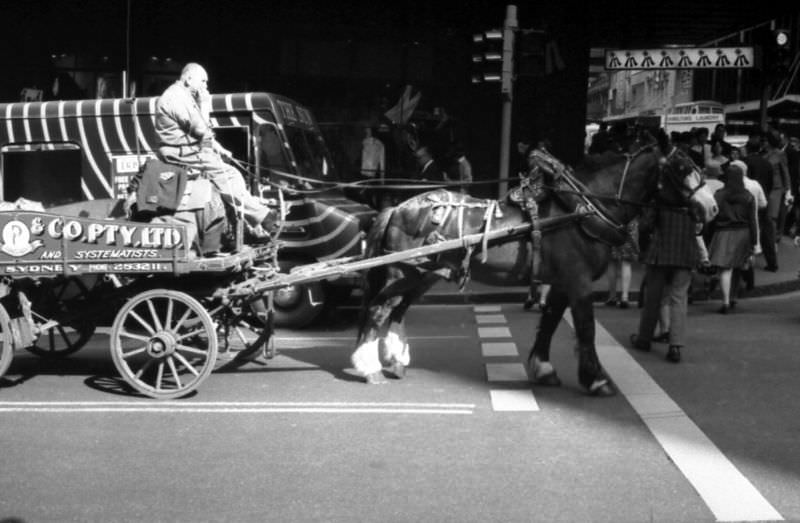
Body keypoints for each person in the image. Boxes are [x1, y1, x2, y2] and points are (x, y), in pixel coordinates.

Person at [154, 62, 277, 238]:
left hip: (189, 150)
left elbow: (201, 135)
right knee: (229, 175)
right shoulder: (175, 98)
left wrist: (220, 148)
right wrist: (205, 104)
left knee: (230, 174)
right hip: (182, 153)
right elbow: (201, 130)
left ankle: (250, 220)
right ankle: (262, 217)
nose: (206, 86)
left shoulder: (183, 96)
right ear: (189, 79)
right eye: (203, 81)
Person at [630, 188, 701, 363]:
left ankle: (644, 339)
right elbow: (700, 224)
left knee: (653, 298)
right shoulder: (693, 200)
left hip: (660, 254)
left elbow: (645, 225)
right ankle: (675, 346)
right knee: (679, 299)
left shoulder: (659, 200)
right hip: (685, 253)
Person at [707, 160, 758, 313]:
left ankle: (726, 302)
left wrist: (709, 237)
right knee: (737, 268)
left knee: (725, 269)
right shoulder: (748, 196)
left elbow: (712, 217)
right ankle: (734, 296)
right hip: (743, 233)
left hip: (723, 233)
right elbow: (752, 220)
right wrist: (754, 241)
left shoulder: (719, 195)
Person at [743, 134, 778, 272]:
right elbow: (770, 183)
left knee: (749, 231)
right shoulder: (767, 163)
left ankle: (748, 264)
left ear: (747, 148)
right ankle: (772, 263)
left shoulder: (745, 162)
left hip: (748, 201)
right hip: (763, 199)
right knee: (767, 233)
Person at [763, 130, 791, 269]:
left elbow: (785, 173)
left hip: (776, 189)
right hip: (766, 188)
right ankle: (769, 242)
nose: (764, 142)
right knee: (767, 218)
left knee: (771, 218)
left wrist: (788, 191)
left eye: (766, 140)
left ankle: (772, 243)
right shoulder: (764, 154)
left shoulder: (780, 154)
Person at [605, 219, 639, 308]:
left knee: (612, 262)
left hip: (612, 220)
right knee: (626, 262)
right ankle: (625, 297)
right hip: (629, 222)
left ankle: (612, 297)